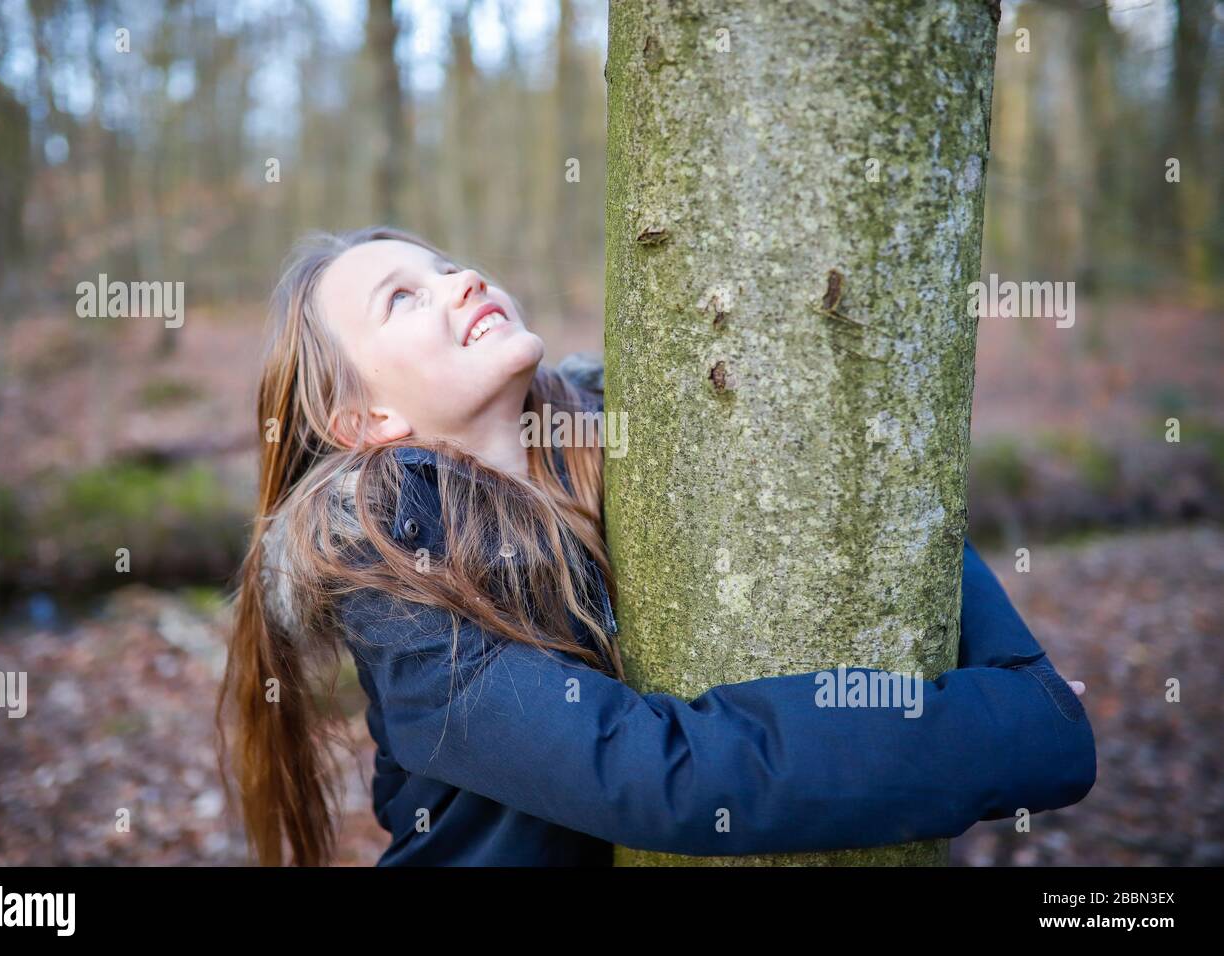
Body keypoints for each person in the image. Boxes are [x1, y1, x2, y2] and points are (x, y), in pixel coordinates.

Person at [217, 226, 1096, 866]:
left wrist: (1020, 678)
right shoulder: (395, 586)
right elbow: (660, 775)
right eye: (402, 298)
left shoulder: (629, 447)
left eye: (445, 266)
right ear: (367, 419)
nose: (462, 279)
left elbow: (883, 516)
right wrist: (1012, 730)